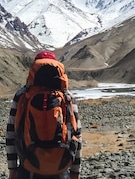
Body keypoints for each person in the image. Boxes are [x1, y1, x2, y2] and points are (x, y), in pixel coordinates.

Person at [6, 50, 82, 179]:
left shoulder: (22, 95)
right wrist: (75, 171)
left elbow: (11, 133)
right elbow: (76, 134)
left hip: (28, 165)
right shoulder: (67, 97)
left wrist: (12, 169)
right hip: (60, 165)